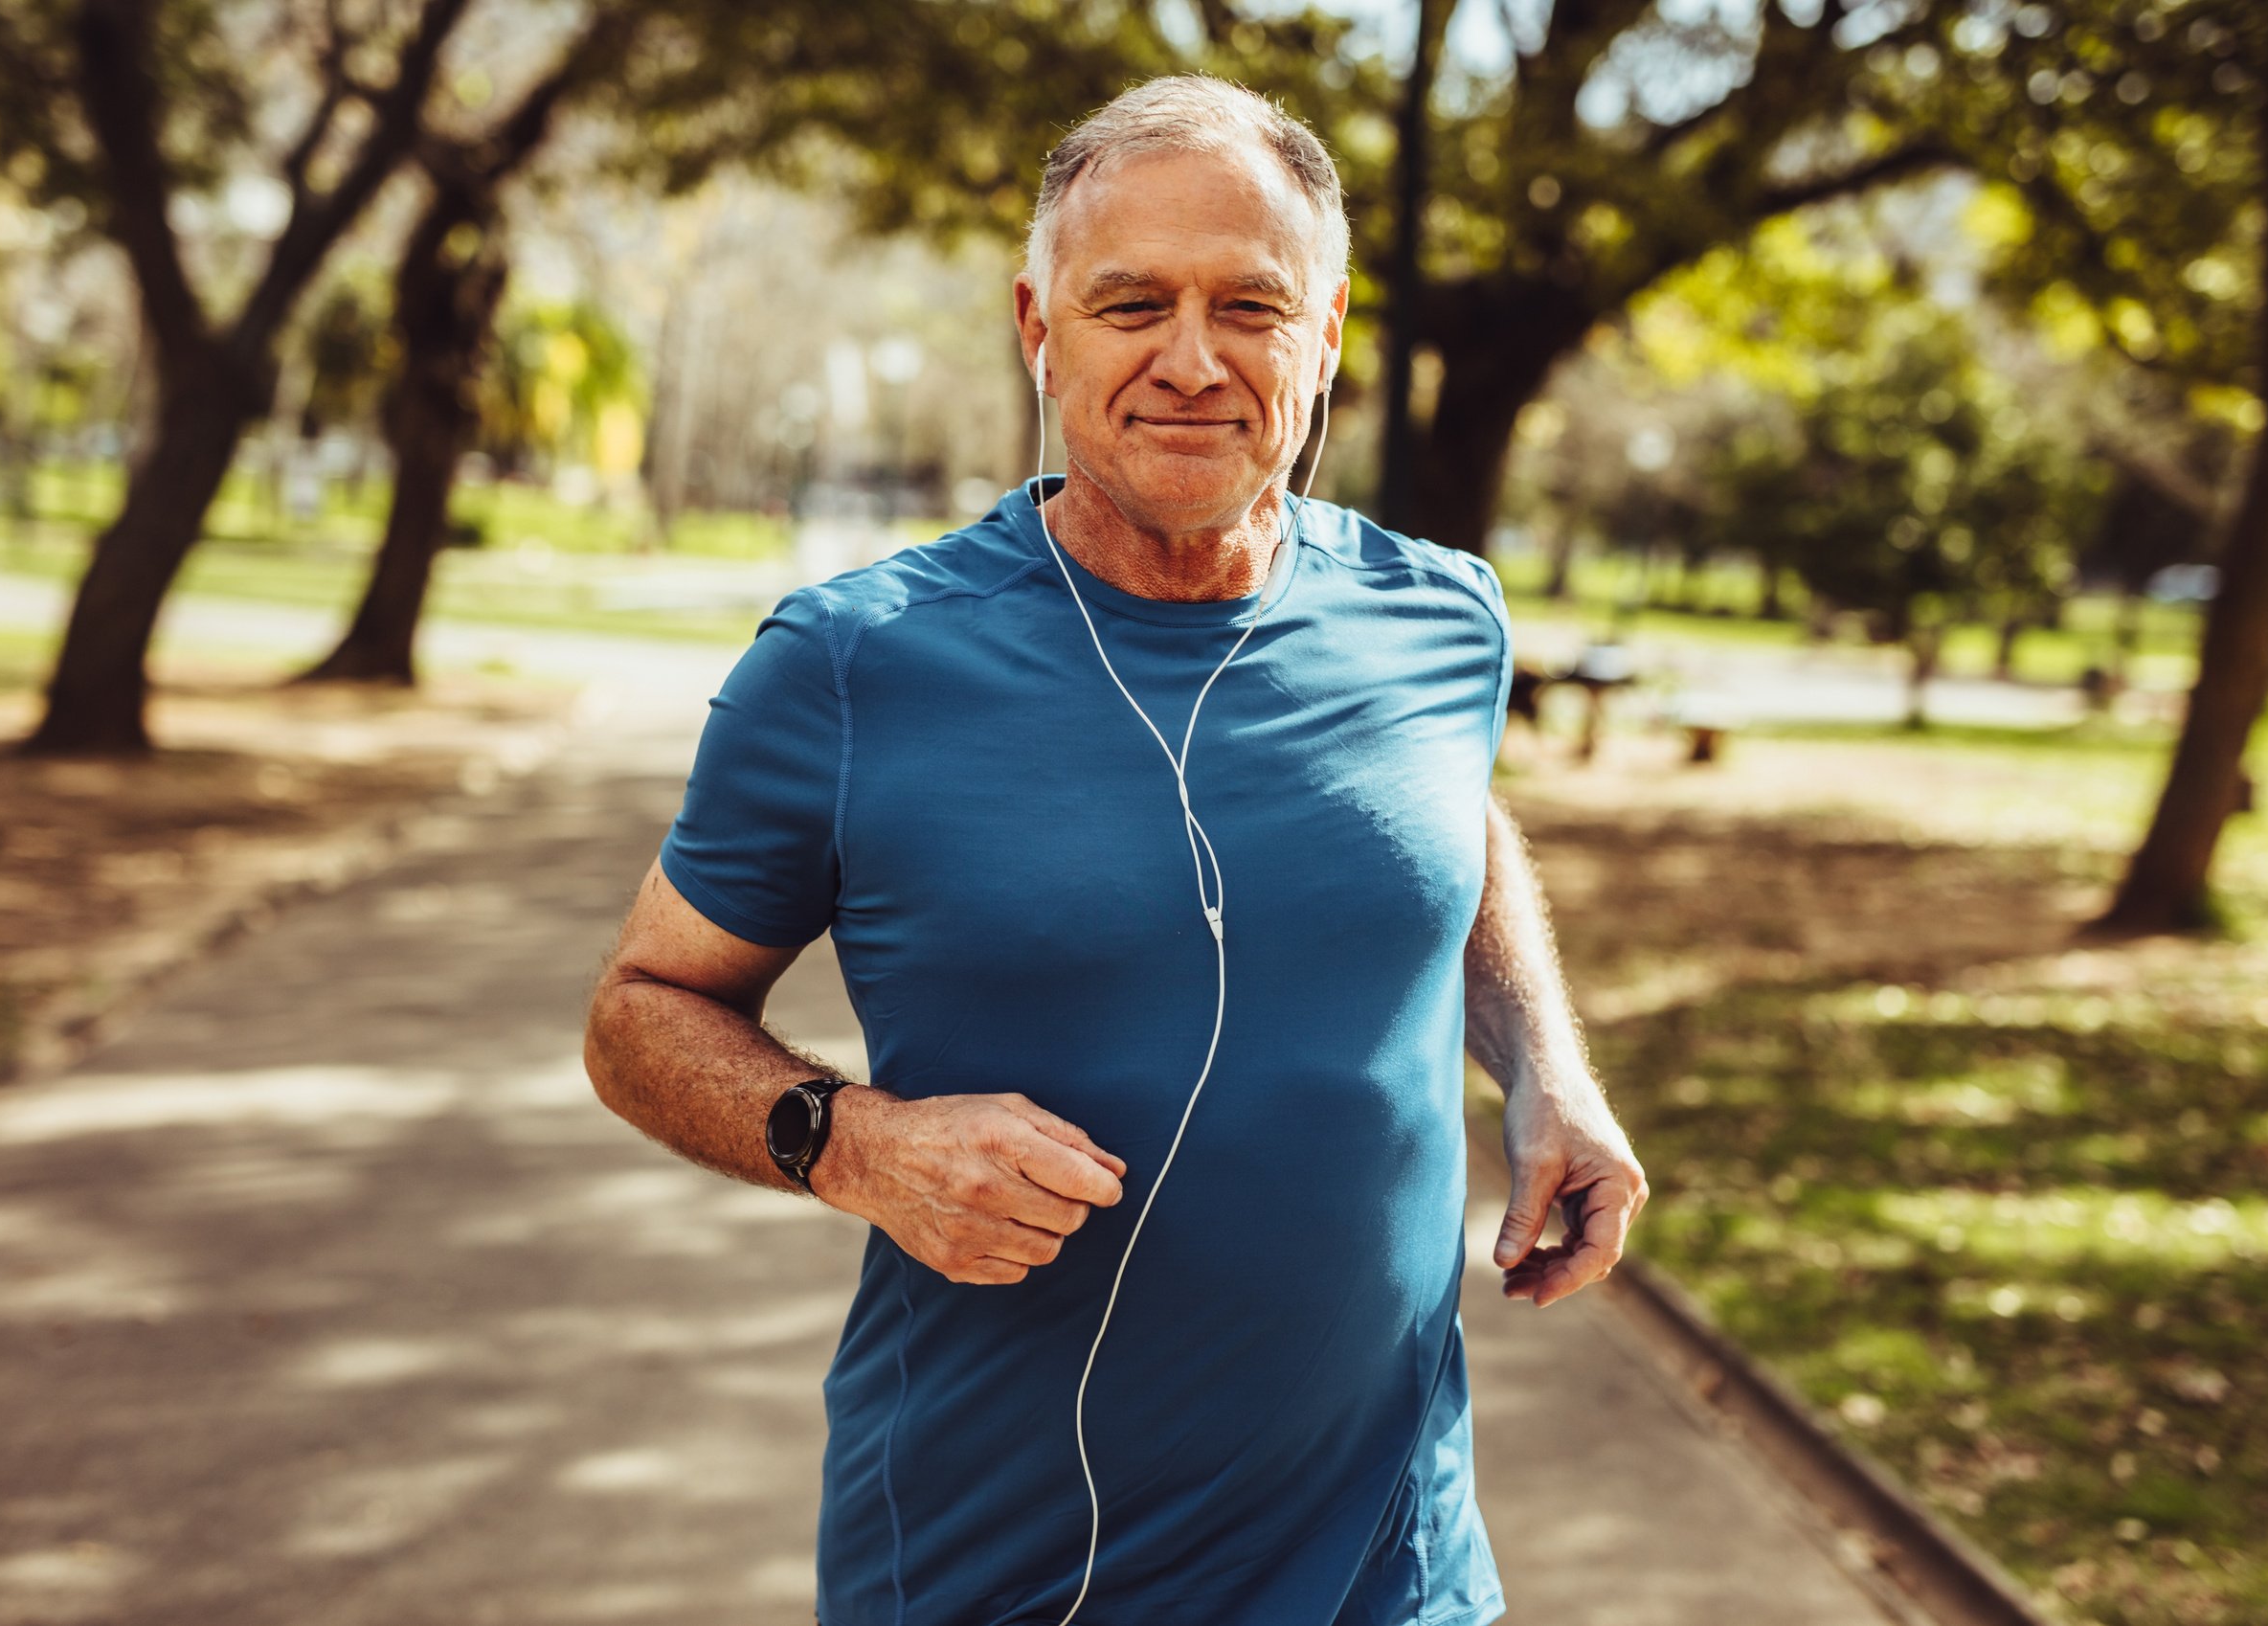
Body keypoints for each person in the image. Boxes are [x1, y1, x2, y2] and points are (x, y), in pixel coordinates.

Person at [583, 74, 1648, 1626]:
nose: (1192, 360)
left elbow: (1447, 819)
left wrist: (1548, 1061)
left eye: (1252, 306)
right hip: (1005, 1567)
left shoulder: (1444, 618)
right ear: (1039, 326)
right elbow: (638, 1013)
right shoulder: (854, 661)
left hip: (1400, 1568)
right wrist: (861, 1145)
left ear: (1330, 328)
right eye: (1130, 302)